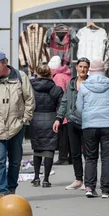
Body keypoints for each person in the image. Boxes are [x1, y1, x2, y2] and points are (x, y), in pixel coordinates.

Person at [0, 51, 35, 199]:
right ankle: (2, 192)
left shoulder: (20, 77)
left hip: (16, 126)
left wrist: (25, 120)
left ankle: (11, 189)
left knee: (15, 161)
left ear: (5, 62)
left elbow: (29, 99)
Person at [76, 60, 109, 198]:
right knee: (107, 157)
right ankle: (106, 190)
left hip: (89, 126)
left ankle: (90, 187)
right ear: (103, 70)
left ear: (90, 70)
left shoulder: (84, 87)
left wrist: (87, 116)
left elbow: (79, 108)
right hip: (108, 125)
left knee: (90, 157)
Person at [53, 58, 89, 190]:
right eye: (80, 66)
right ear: (76, 68)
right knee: (74, 153)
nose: (83, 69)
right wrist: (59, 118)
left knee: (88, 153)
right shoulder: (71, 83)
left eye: (85, 67)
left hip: (87, 122)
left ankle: (88, 181)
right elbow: (64, 101)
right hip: (72, 121)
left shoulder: (90, 83)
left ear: (88, 69)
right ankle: (78, 179)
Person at [30, 65, 63, 187]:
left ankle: (36, 177)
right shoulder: (56, 89)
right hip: (51, 119)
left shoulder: (31, 88)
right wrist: (59, 119)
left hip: (35, 119)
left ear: (37, 73)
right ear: (50, 73)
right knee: (49, 150)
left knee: (37, 148)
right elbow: (61, 106)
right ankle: (46, 179)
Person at [48, 55, 72, 165]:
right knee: (70, 136)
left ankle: (63, 158)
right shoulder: (67, 75)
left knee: (63, 136)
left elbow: (58, 94)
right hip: (71, 109)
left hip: (63, 111)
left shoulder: (58, 77)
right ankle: (71, 157)